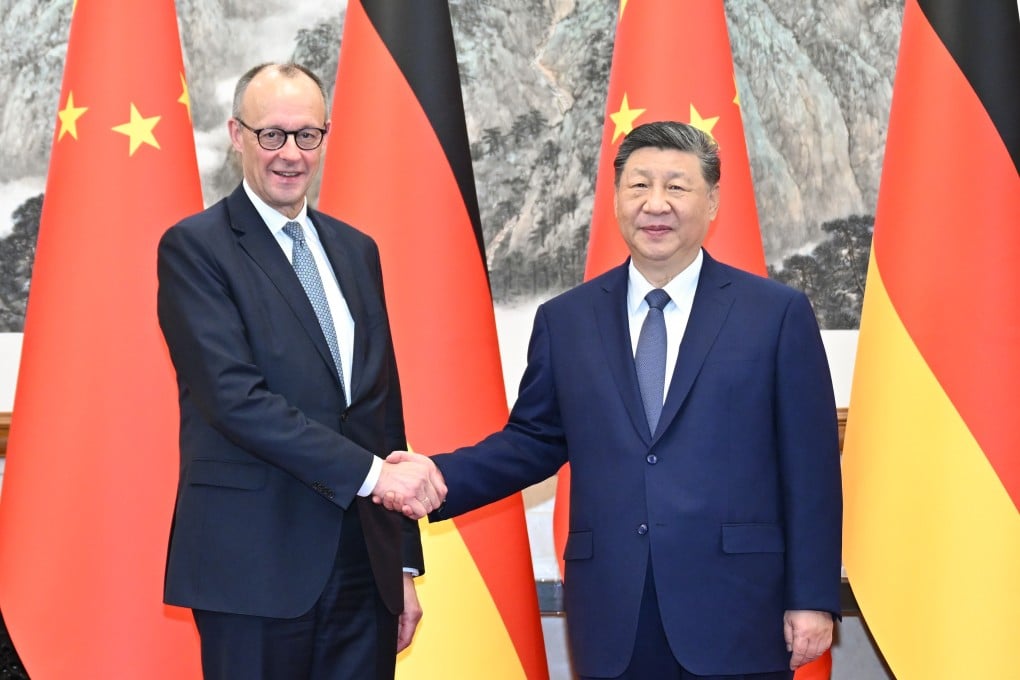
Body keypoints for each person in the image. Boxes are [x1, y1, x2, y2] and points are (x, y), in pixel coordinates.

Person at [383, 121, 842, 680]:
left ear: (713, 200)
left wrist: (813, 597)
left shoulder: (776, 315)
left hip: (740, 606)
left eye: (677, 186)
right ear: (616, 197)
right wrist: (435, 475)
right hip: (613, 612)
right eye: (639, 185)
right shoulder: (567, 320)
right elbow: (533, 442)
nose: (656, 204)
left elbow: (811, 471)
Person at [156, 62, 445, 680]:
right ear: (237, 135)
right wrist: (374, 477)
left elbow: (380, 413)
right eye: (272, 135)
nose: (291, 154)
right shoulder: (195, 249)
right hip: (254, 569)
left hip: (363, 568)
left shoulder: (355, 249)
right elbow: (235, 400)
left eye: (307, 135)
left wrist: (402, 568)